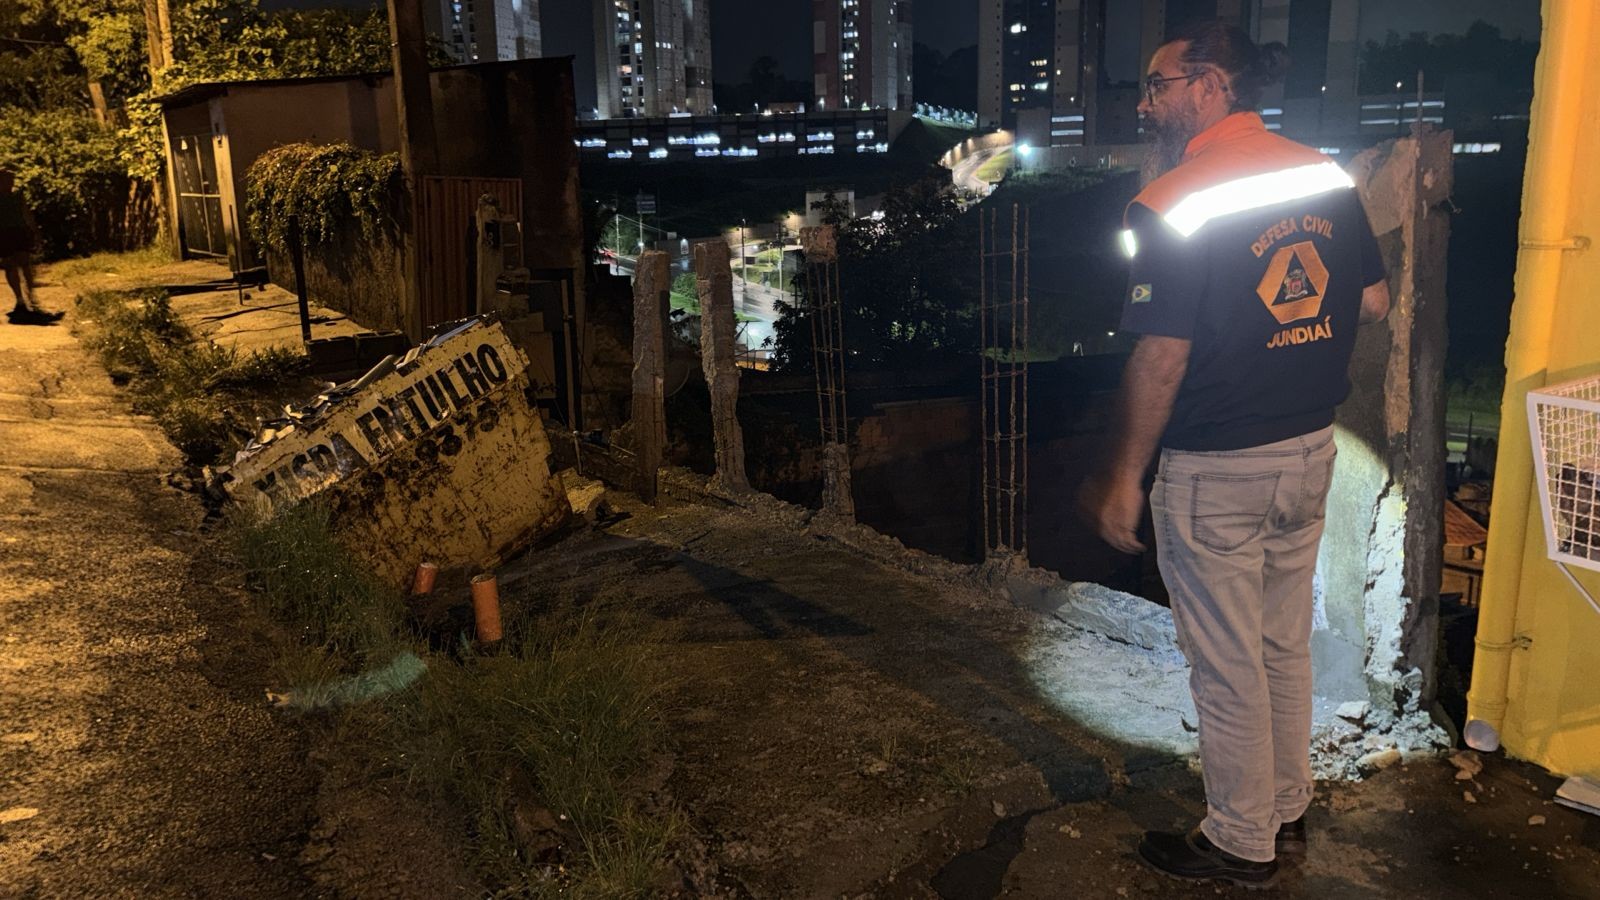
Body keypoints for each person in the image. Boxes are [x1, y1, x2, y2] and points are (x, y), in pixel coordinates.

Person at [1080, 21, 1391, 888]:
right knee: (1280, 646)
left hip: (1218, 465)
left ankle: (1240, 839)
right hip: (1308, 448)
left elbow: (1162, 354)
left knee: (1225, 666)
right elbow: (1372, 301)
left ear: (1211, 85)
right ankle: (1287, 809)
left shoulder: (1174, 200)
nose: (1146, 105)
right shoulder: (1321, 172)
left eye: (1158, 86)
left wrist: (1123, 477)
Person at [0, 169, 61, 325]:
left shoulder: (17, 197)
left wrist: (34, 232)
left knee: (25, 264)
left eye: (11, 180)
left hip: (19, 233)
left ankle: (30, 296)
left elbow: (27, 215)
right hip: (5, 233)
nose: (11, 183)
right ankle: (20, 299)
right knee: (10, 265)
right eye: (8, 180)